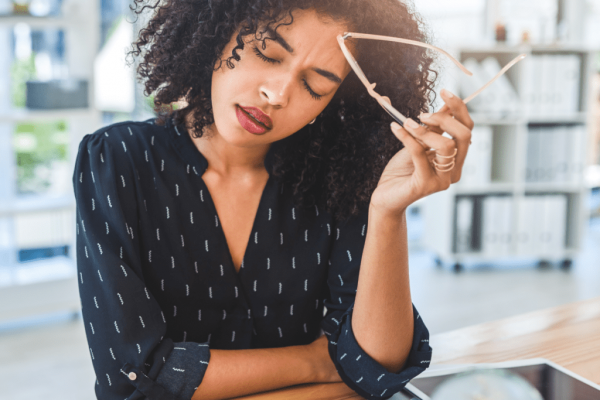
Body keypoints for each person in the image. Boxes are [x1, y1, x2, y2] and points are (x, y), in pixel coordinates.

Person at [73, 0, 473, 399]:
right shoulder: (117, 160)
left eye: (315, 86)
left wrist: (388, 210)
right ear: (217, 30)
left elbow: (374, 366)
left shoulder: (338, 181)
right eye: (267, 52)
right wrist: (318, 361)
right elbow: (130, 376)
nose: (277, 94)